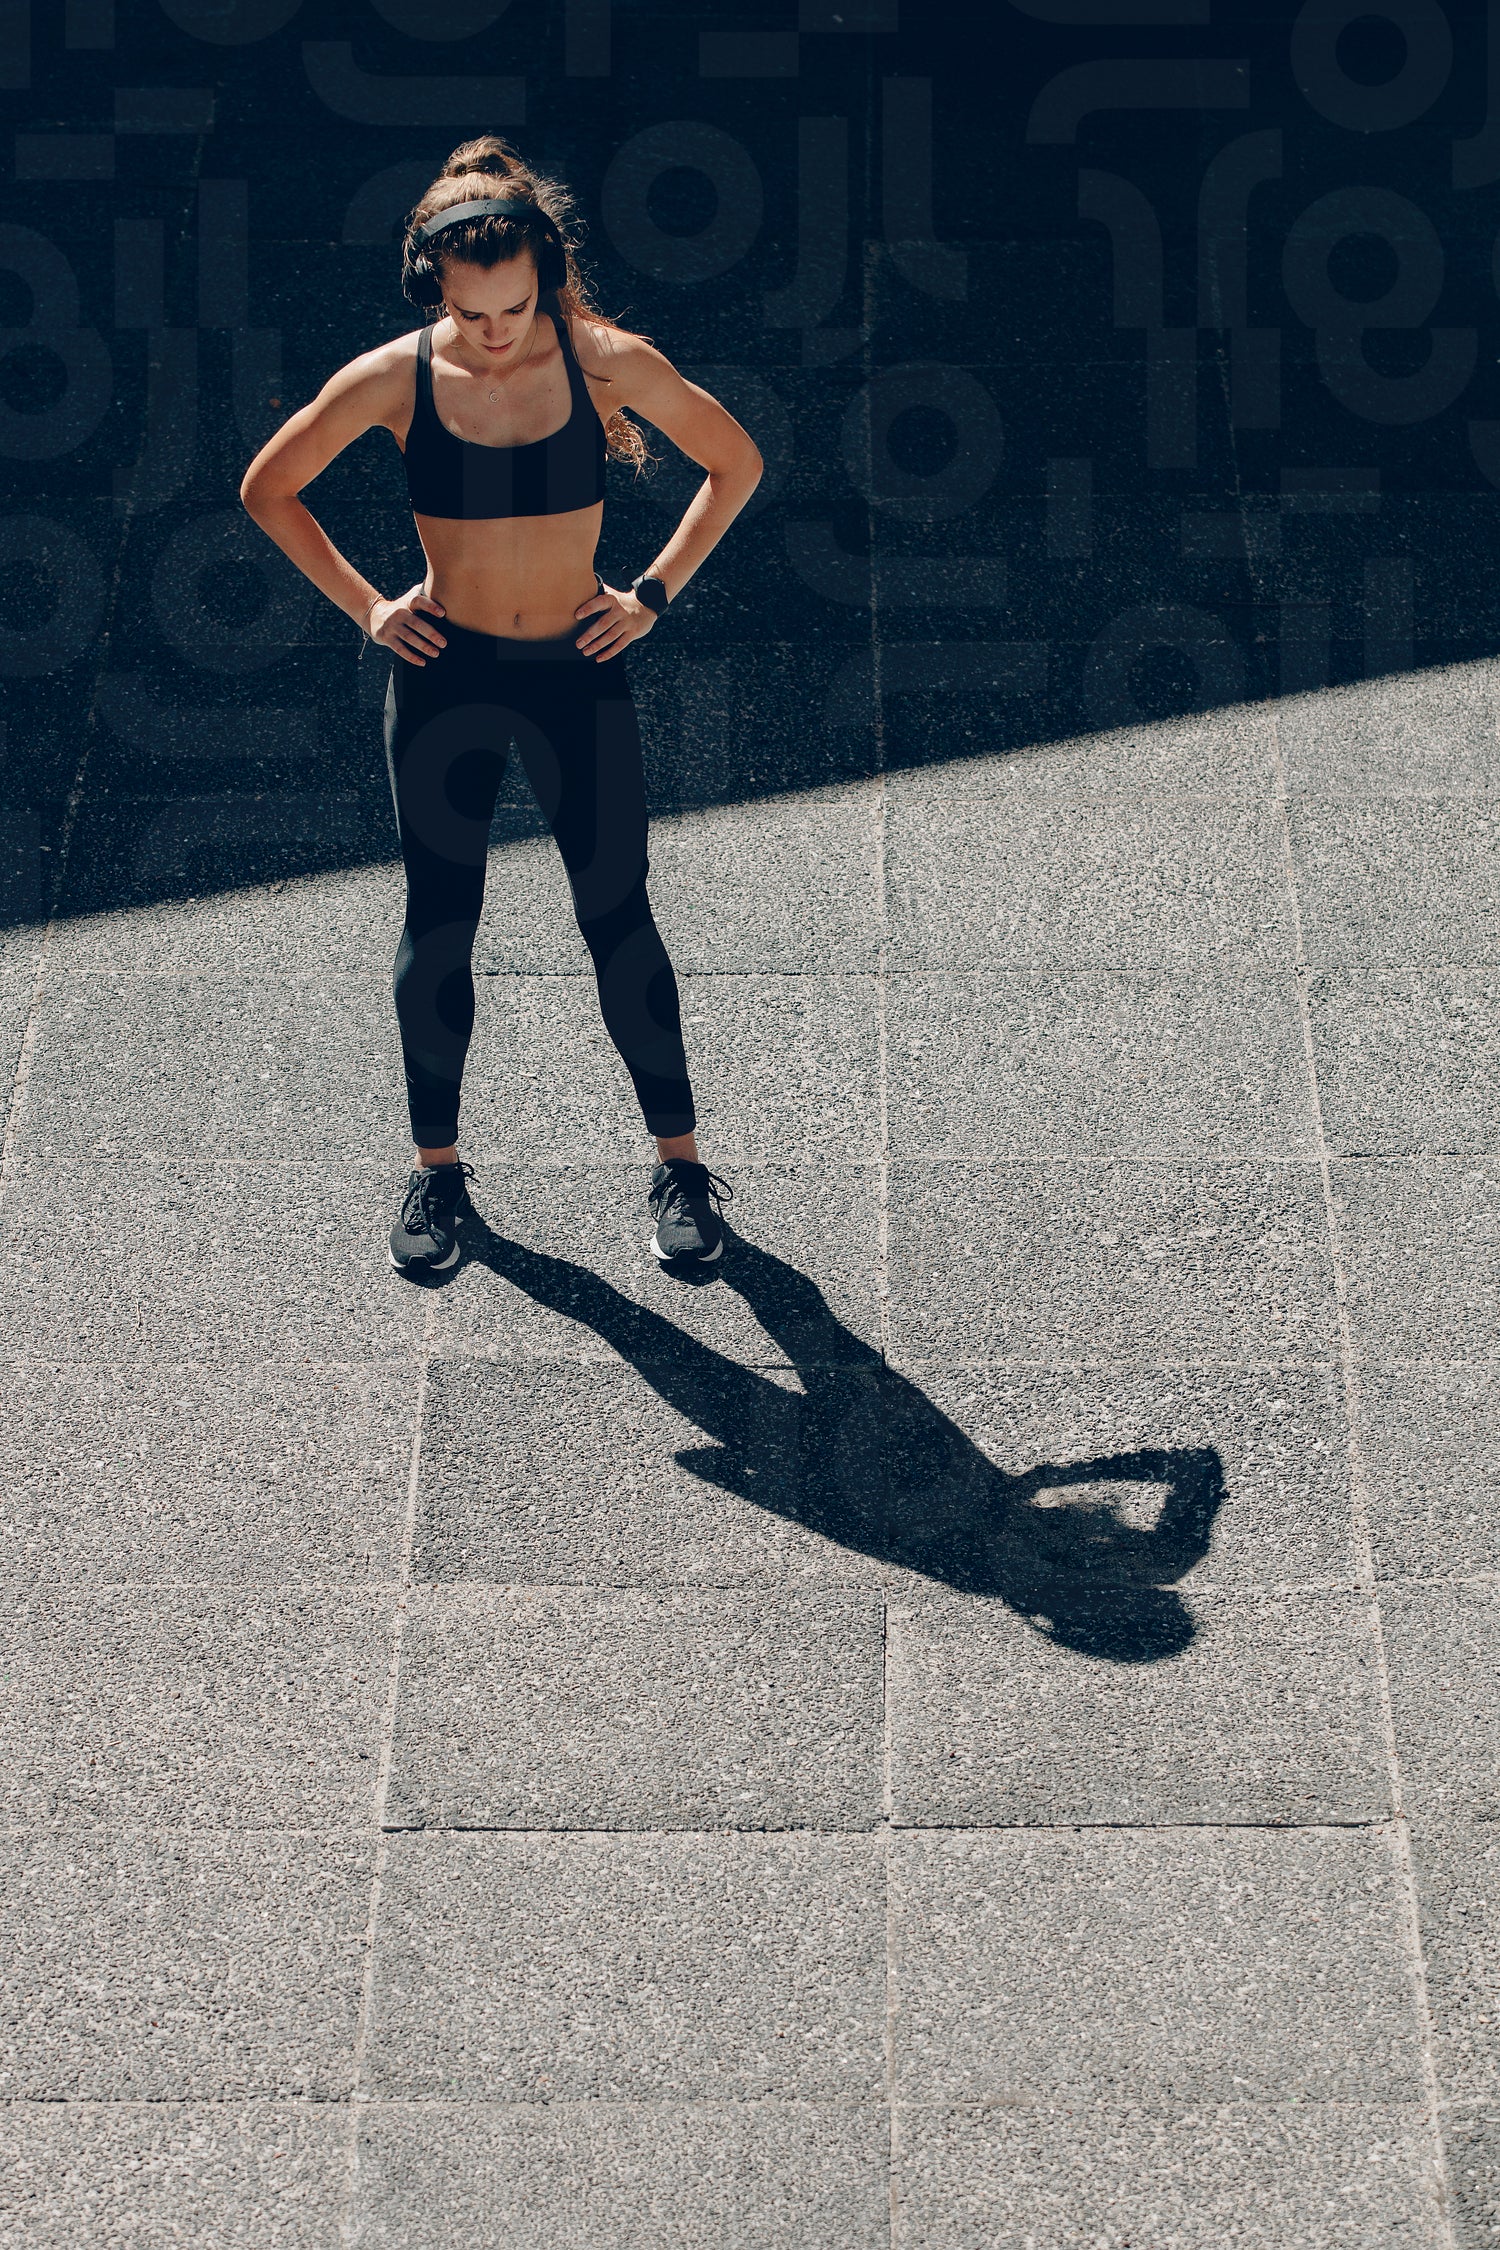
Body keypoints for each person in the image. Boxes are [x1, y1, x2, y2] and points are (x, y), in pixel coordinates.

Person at [239, 135, 762, 1274]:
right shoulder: (394, 379)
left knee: (618, 918)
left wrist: (651, 596)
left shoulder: (605, 362)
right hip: (449, 676)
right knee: (440, 924)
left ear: (545, 276)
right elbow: (267, 489)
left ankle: (682, 1170)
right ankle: (438, 1177)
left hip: (575, 670)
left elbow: (737, 463)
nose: (493, 331)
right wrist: (371, 609)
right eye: (470, 312)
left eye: (515, 309)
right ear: (435, 285)